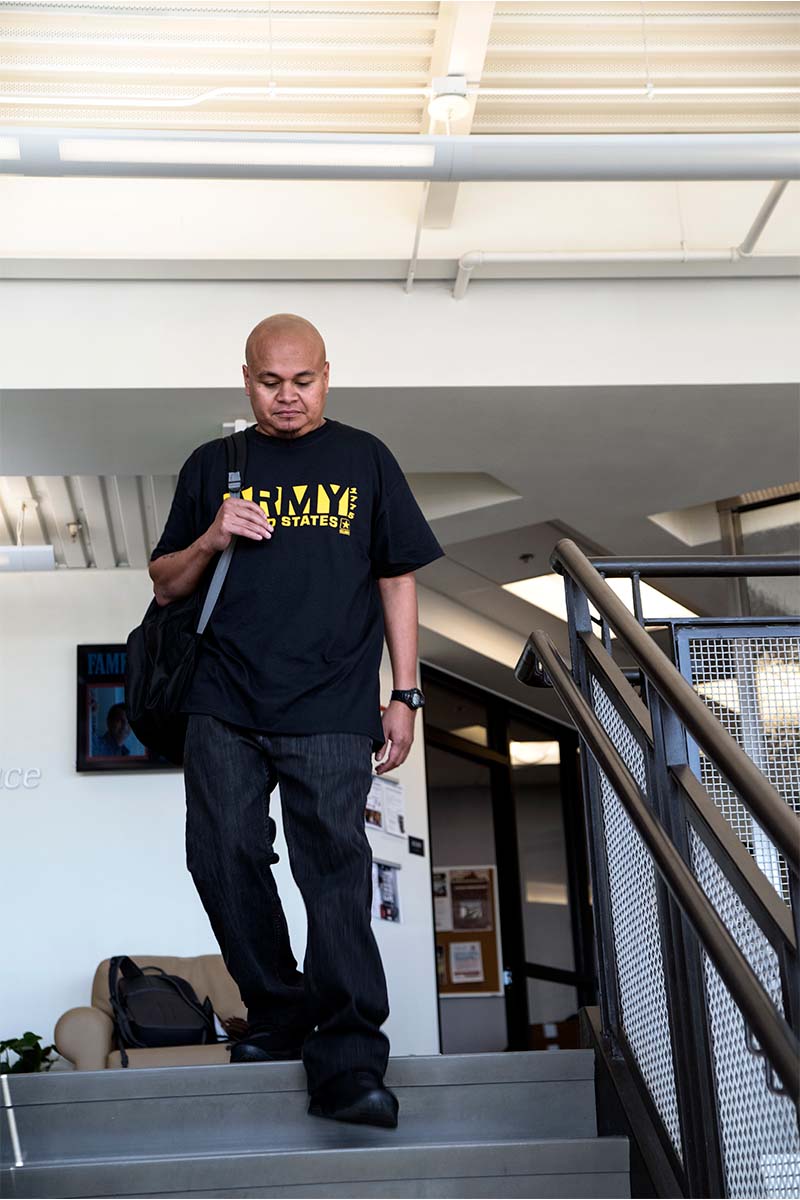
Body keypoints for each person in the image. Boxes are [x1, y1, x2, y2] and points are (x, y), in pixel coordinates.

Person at [148, 313, 444, 1129]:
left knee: (335, 873)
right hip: (224, 701)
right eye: (270, 382)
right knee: (221, 856)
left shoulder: (364, 459)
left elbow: (397, 579)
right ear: (246, 380)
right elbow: (166, 581)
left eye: (303, 380)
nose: (287, 397)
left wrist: (406, 692)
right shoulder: (214, 465)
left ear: (327, 375)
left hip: (331, 703)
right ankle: (280, 1014)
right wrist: (213, 534)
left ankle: (349, 1061)